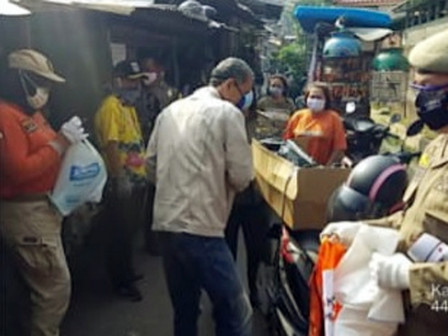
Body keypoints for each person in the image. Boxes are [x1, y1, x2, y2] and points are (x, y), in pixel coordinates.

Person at [321, 30, 448, 335]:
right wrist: (365, 229)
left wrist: (413, 278)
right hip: (408, 318)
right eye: (417, 87)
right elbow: (413, 220)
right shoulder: (438, 146)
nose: (420, 99)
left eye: (429, 89)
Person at [146, 57, 254, 336]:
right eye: (244, 92)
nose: (244, 100)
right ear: (230, 85)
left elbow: (150, 165)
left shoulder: (170, 111)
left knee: (185, 310)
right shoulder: (228, 114)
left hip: (166, 224)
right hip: (201, 227)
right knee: (235, 310)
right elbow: (242, 177)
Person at [0, 49, 87, 336]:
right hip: (25, 213)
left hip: (46, 208)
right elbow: (19, 170)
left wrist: (68, 145)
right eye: (39, 81)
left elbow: (48, 151)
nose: (44, 90)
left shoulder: (32, 113)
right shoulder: (4, 115)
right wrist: (60, 143)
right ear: (18, 78)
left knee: (42, 288)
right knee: (54, 288)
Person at [94, 60, 148, 302]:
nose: (135, 86)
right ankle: (121, 282)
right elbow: (111, 145)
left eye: (137, 81)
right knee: (118, 235)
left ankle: (127, 272)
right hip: (121, 182)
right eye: (130, 81)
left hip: (136, 180)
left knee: (129, 233)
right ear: (118, 81)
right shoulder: (110, 107)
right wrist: (119, 177)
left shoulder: (128, 107)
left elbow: (135, 144)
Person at [224, 88, 272, 308]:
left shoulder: (263, 122)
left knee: (256, 249)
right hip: (228, 198)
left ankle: (254, 290)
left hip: (256, 197)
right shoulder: (221, 120)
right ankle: (226, 298)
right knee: (226, 251)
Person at [138, 56, 180, 256]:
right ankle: (152, 242)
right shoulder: (138, 93)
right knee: (151, 199)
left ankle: (161, 239)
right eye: (144, 69)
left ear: (160, 70)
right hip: (147, 149)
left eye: (151, 69)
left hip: (167, 148)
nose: (147, 73)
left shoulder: (169, 92)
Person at [283, 83, 347, 166]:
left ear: (326, 100)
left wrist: (326, 168)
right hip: (297, 168)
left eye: (319, 97)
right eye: (312, 97)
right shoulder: (297, 116)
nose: (315, 100)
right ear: (307, 98)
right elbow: (287, 143)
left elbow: (339, 148)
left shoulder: (333, 118)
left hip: (322, 169)